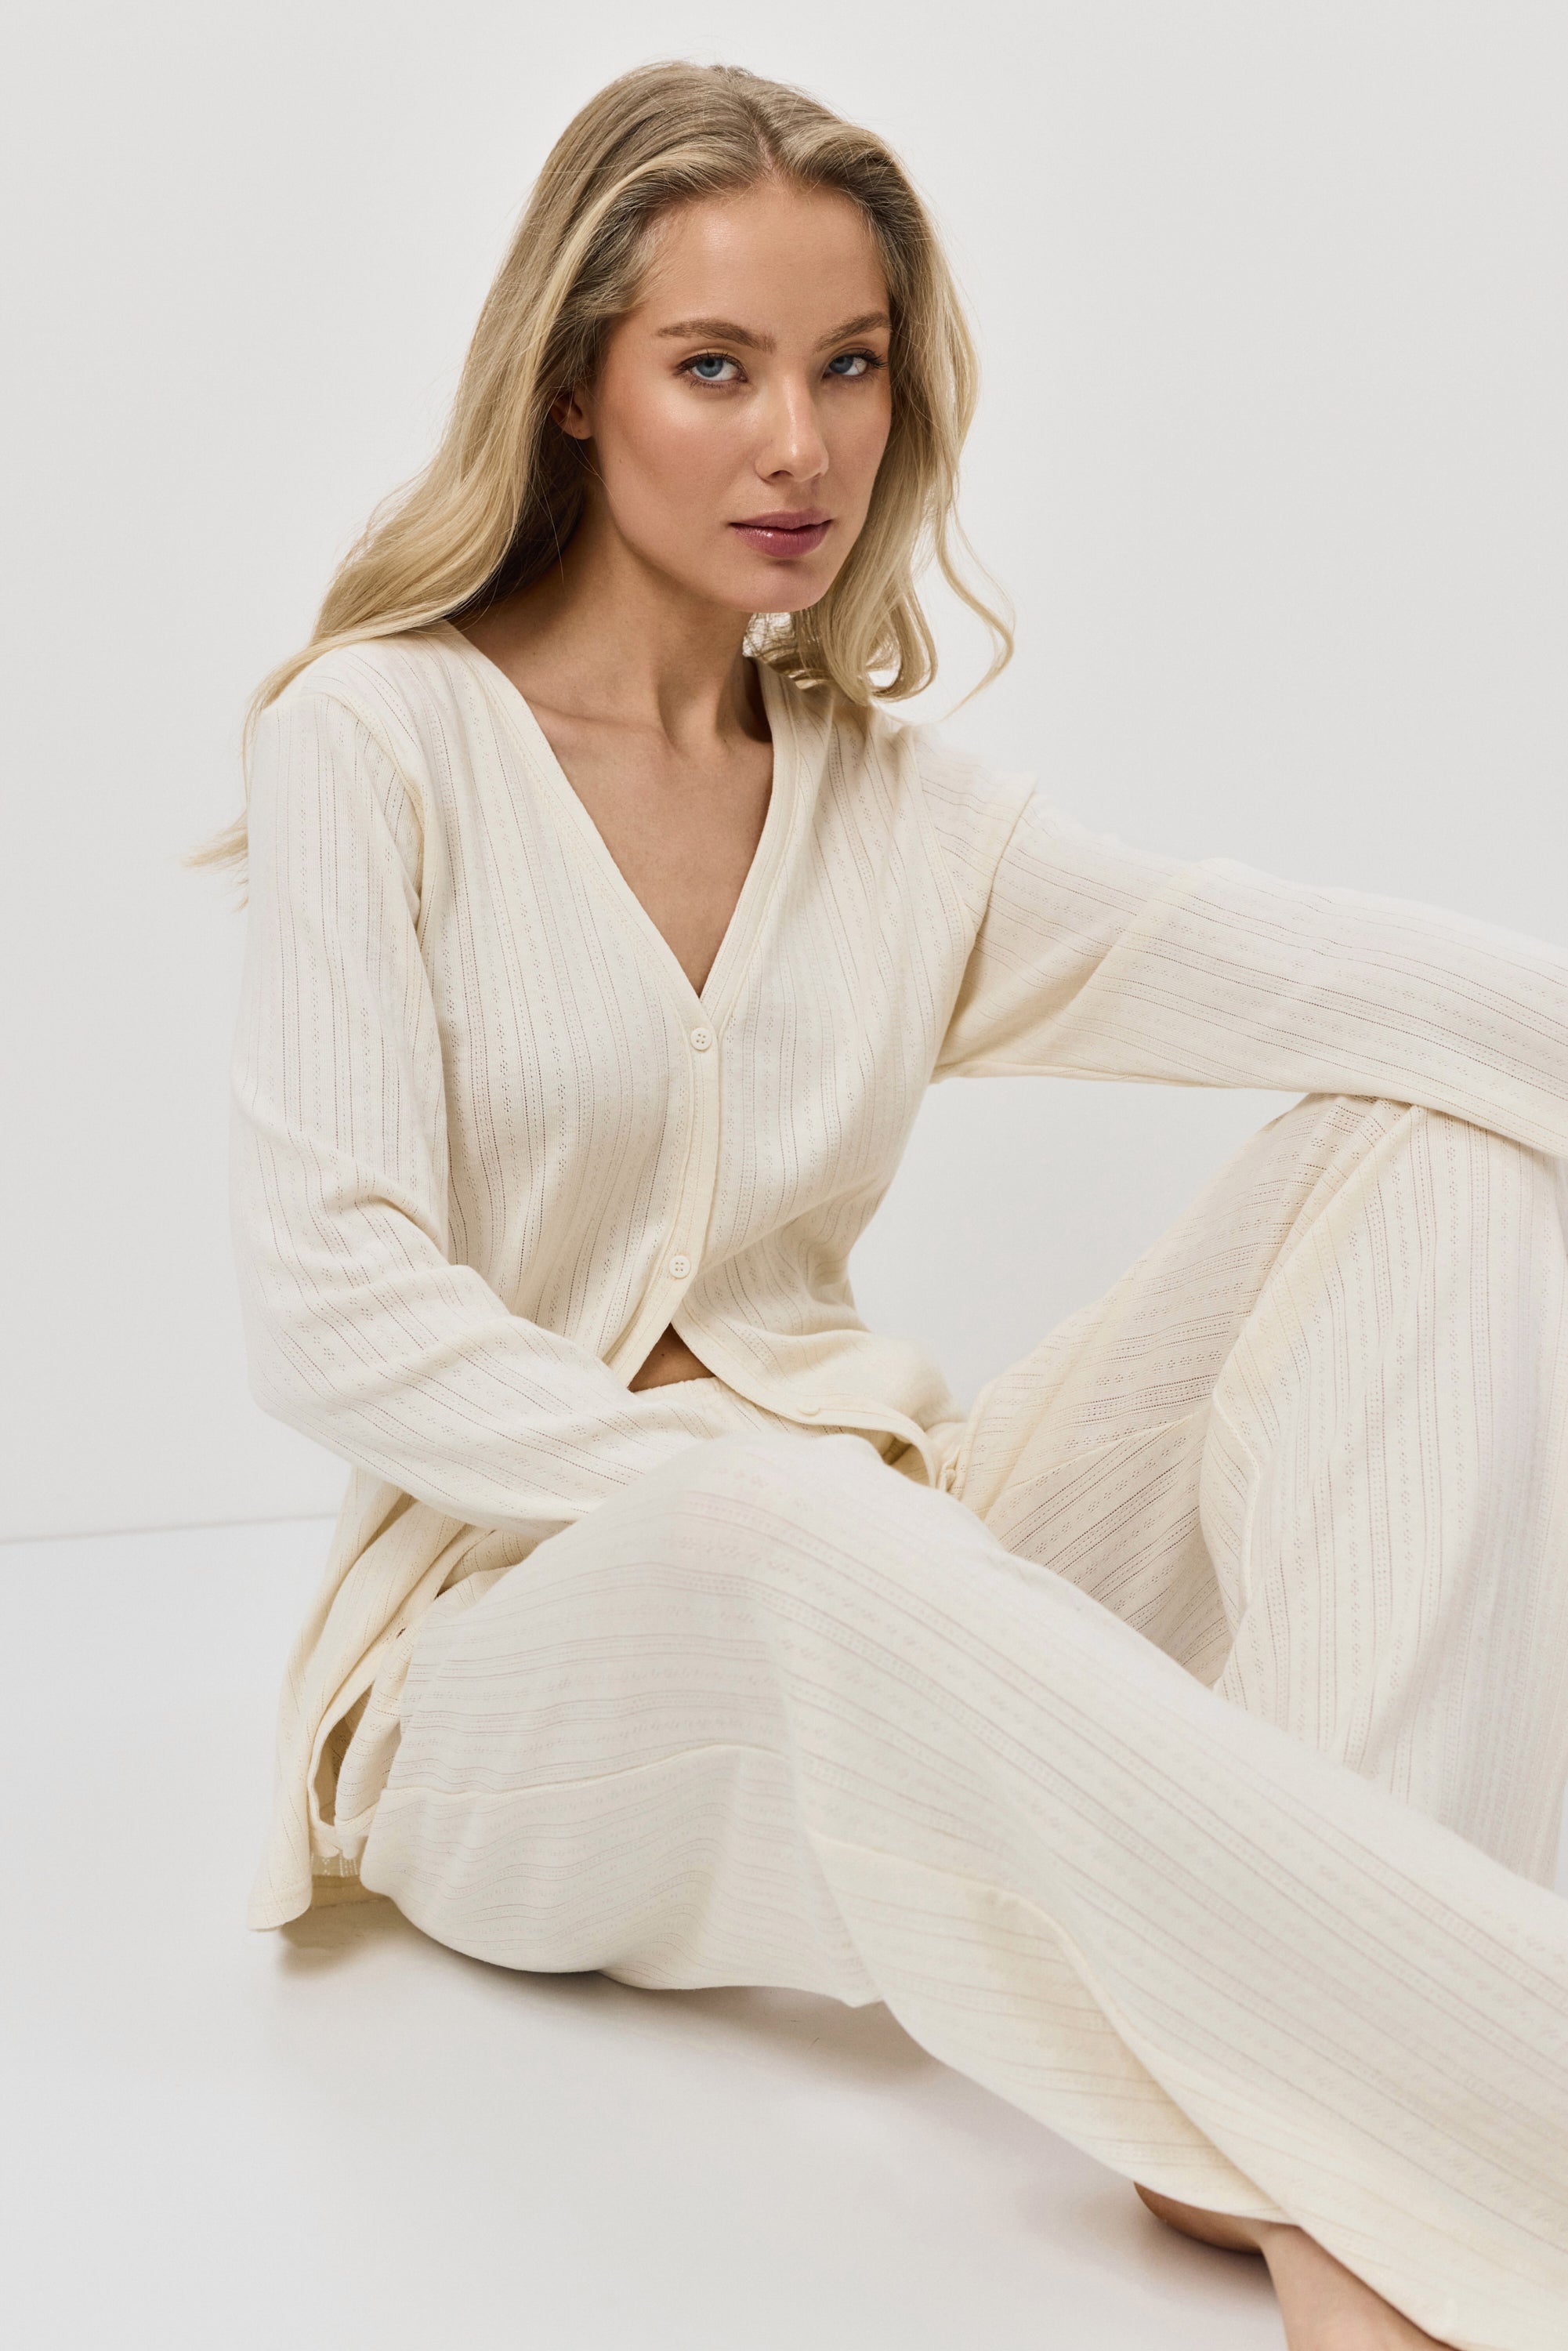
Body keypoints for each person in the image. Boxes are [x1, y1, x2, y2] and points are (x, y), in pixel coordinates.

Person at [194, 58, 1568, 2351]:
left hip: (888, 1569)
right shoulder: (379, 737)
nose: (798, 448)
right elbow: (328, 1308)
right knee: (804, 1526)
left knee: (1432, 1135)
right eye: (713, 369)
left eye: (847, 369)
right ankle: (1393, 2131)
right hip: (517, 1684)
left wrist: (863, 1521)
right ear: (569, 390)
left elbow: (1394, 986)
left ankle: (1262, 2119)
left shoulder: (898, 817)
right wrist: (755, 1488)